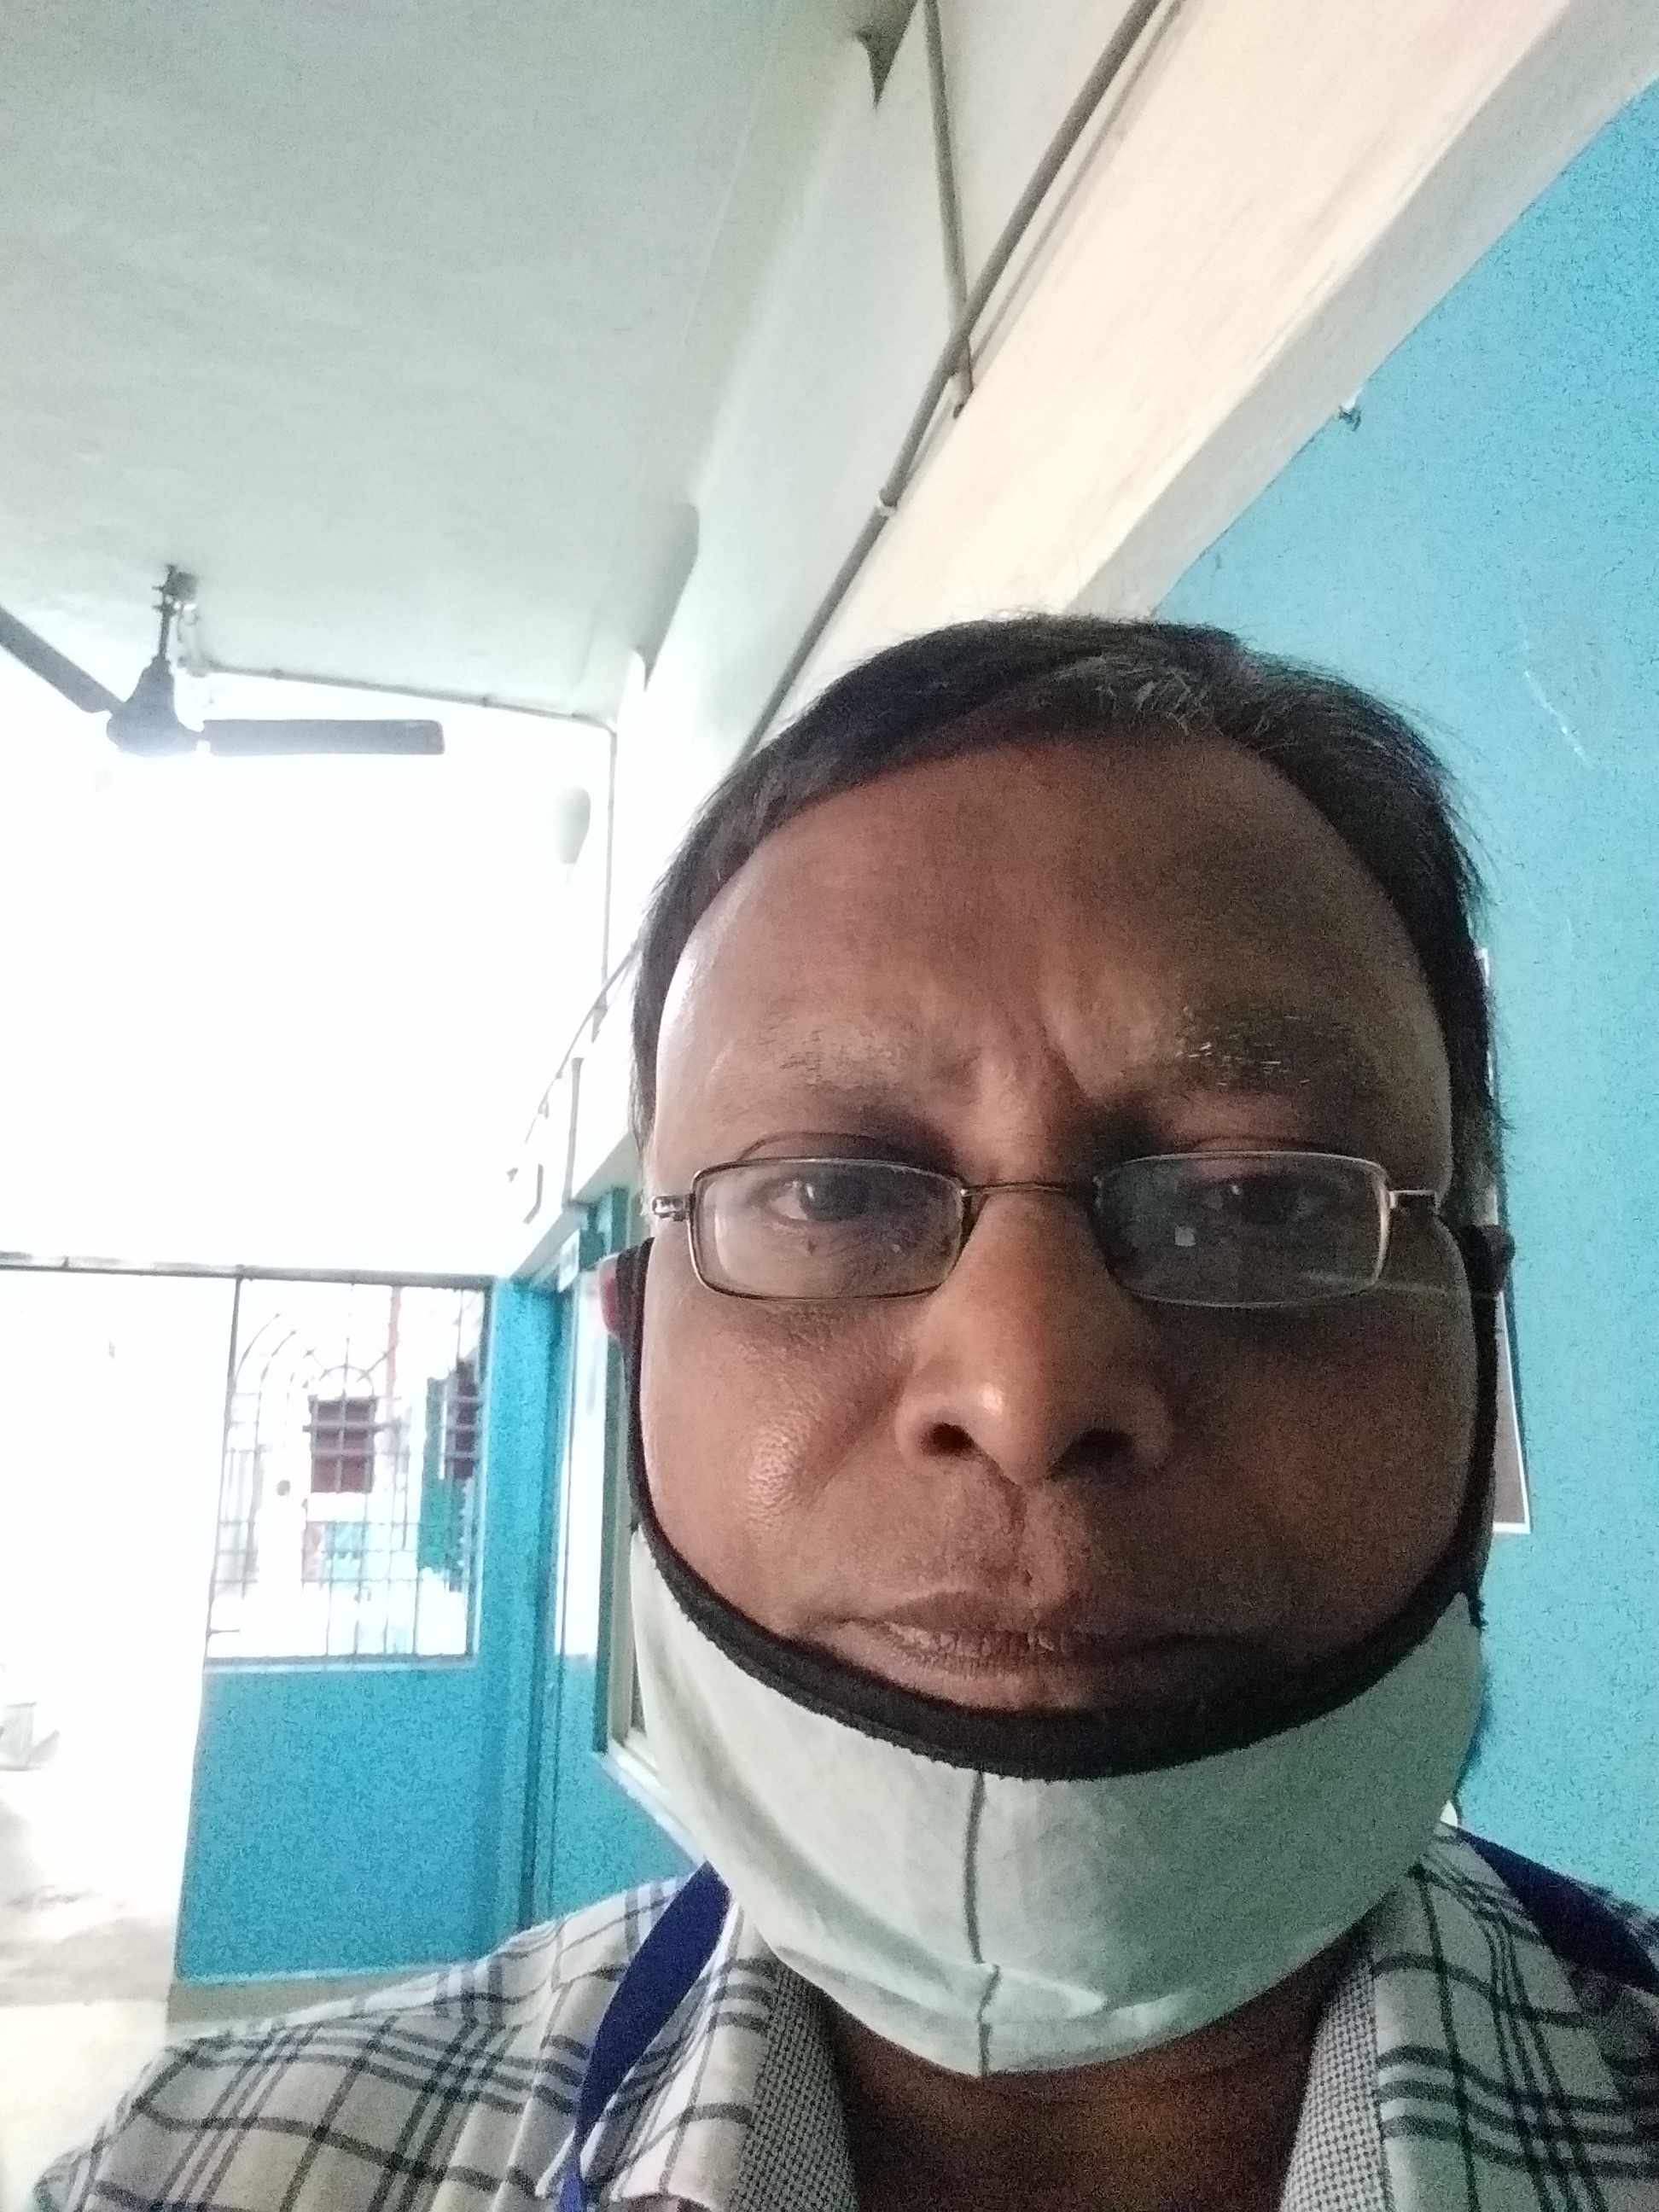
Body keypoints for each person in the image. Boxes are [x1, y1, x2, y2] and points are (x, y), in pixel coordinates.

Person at [38, 617, 1658, 2210]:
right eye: (827, 1192)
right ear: (632, 1340)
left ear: (1478, 1318)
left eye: (1253, 1200)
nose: (1026, 1394)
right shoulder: (195, 2174)